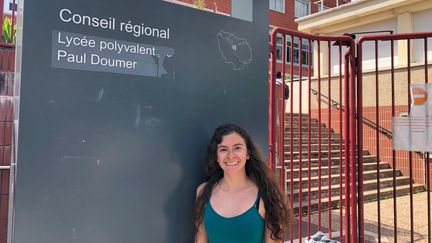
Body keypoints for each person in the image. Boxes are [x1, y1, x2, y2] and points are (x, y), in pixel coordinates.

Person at [194, 124, 290, 243]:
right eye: (223, 149)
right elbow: (200, 238)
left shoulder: (266, 195)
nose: (231, 155)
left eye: (237, 148)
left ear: (248, 153)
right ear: (217, 157)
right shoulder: (203, 192)